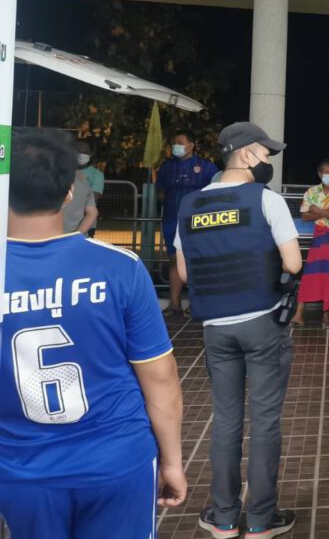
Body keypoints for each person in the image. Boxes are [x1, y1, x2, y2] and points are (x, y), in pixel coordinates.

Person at [0, 128, 186, 538]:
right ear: (70, 192)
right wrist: (172, 462)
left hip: (20, 468)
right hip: (116, 459)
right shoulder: (120, 268)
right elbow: (160, 379)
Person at [175, 122, 303, 538]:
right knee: (264, 421)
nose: (267, 162)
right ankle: (262, 520)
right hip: (263, 324)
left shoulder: (190, 204)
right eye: (265, 154)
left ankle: (224, 517)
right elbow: (293, 263)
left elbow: (183, 272)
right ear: (246, 154)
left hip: (215, 329)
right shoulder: (266, 199)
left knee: (226, 420)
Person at [157, 129, 218, 316]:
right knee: (175, 260)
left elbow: (215, 193)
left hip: (198, 221)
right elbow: (161, 193)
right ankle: (174, 304)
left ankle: (195, 305)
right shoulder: (166, 167)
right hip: (171, 220)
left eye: (180, 142)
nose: (175, 146)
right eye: (174, 142)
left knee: (196, 261)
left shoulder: (207, 167)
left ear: (191, 145)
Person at [292, 159, 329, 328]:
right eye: (326, 172)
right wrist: (327, 212)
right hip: (320, 237)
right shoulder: (311, 192)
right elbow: (304, 216)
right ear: (319, 173)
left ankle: (326, 317)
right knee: (312, 274)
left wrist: (316, 210)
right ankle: (299, 315)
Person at [76, 140, 105, 238]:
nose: (81, 154)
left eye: (85, 152)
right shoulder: (65, 172)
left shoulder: (97, 174)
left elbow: (95, 196)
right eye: (78, 151)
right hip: (64, 224)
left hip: (87, 224)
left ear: (91, 154)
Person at [61, 159, 98, 235]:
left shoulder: (45, 180)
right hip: (75, 237)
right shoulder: (83, 182)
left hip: (49, 237)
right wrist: (77, 235)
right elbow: (93, 213)